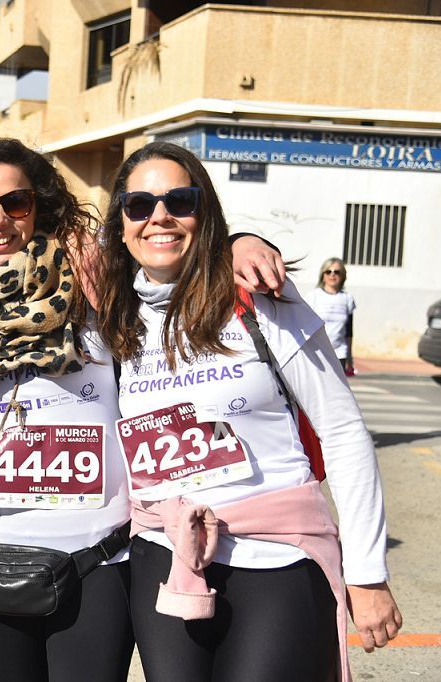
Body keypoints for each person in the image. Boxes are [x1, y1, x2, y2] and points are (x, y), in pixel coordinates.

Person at [0, 137, 286, 682]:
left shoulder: (94, 282)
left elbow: (166, 247)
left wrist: (240, 241)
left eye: (15, 203)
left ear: (38, 206)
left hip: (98, 561)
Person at [94, 141, 401, 681]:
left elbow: (344, 430)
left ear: (204, 212)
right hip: (164, 559)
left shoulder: (260, 298)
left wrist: (368, 572)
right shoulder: (115, 313)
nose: (158, 216)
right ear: (120, 224)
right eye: (139, 205)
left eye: (179, 201)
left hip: (277, 558)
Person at [309, 257, 356, 375]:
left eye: (337, 272)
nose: (332, 275)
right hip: (318, 352)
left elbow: (349, 331)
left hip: (340, 353)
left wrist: (349, 356)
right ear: (323, 275)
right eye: (328, 271)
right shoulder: (313, 296)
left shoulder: (347, 298)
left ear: (342, 275)